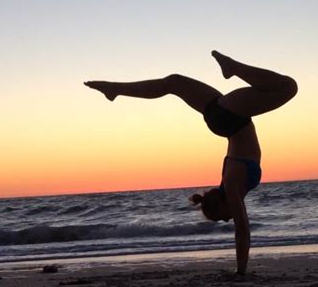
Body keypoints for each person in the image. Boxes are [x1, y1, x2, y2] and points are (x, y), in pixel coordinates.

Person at [84, 51, 298, 275]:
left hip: (230, 117)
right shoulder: (231, 183)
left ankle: (234, 68)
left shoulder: (232, 184)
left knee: (288, 87)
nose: (228, 217)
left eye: (223, 216)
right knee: (173, 82)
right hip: (223, 117)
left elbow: (241, 231)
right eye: (225, 219)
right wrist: (240, 270)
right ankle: (115, 89)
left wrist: (240, 271)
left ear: (221, 204)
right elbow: (241, 229)